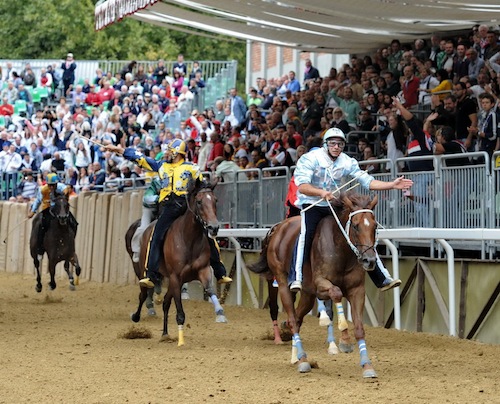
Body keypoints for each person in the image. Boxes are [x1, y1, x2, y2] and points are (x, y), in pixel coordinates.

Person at [289, 127, 413, 291]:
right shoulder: (310, 158)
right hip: (313, 204)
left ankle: (382, 278)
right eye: (333, 144)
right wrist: (321, 192)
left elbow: (367, 181)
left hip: (335, 203)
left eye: (340, 144)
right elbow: (303, 186)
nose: (336, 147)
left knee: (359, 230)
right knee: (306, 234)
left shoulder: (347, 161)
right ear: (325, 144)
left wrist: (391, 185)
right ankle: (296, 277)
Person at [105, 139, 232, 288]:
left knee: (208, 235)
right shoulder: (162, 166)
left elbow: (202, 187)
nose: (167, 153)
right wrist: (117, 149)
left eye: (169, 150)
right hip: (168, 208)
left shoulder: (191, 168)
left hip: (186, 207)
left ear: (176, 152)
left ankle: (220, 272)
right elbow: (140, 158)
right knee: (155, 236)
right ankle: (150, 275)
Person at [27, 173, 78, 258]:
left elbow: (66, 189)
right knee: (41, 226)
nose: (51, 187)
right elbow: (38, 201)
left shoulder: (61, 187)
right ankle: (40, 249)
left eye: (53, 185)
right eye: (49, 185)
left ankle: (70, 244)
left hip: (60, 210)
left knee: (74, 223)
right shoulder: (42, 190)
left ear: (56, 184)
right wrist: (33, 211)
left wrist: (66, 193)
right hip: (47, 210)